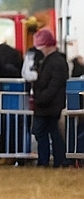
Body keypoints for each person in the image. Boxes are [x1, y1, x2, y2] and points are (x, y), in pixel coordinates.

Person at [29, 29, 69, 168]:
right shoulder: (57, 60)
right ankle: (57, 161)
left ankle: (48, 160)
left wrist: (40, 98)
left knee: (43, 132)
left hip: (48, 105)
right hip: (51, 104)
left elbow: (54, 85)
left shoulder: (53, 62)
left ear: (47, 45)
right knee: (52, 132)